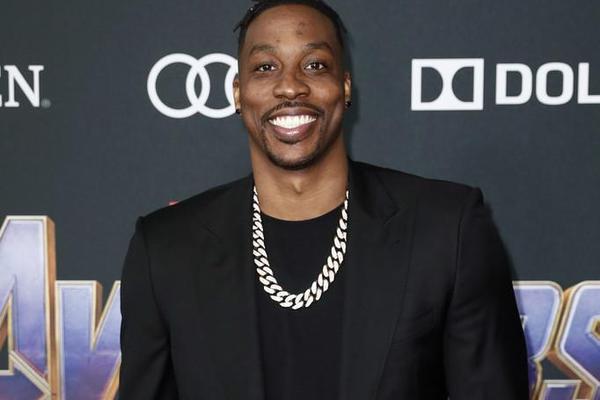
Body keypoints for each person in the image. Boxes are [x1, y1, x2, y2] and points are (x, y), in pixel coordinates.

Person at [119, 0, 529, 399]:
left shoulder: (447, 229)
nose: (290, 86)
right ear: (238, 93)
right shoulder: (166, 250)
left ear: (344, 87)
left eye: (315, 65)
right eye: (265, 67)